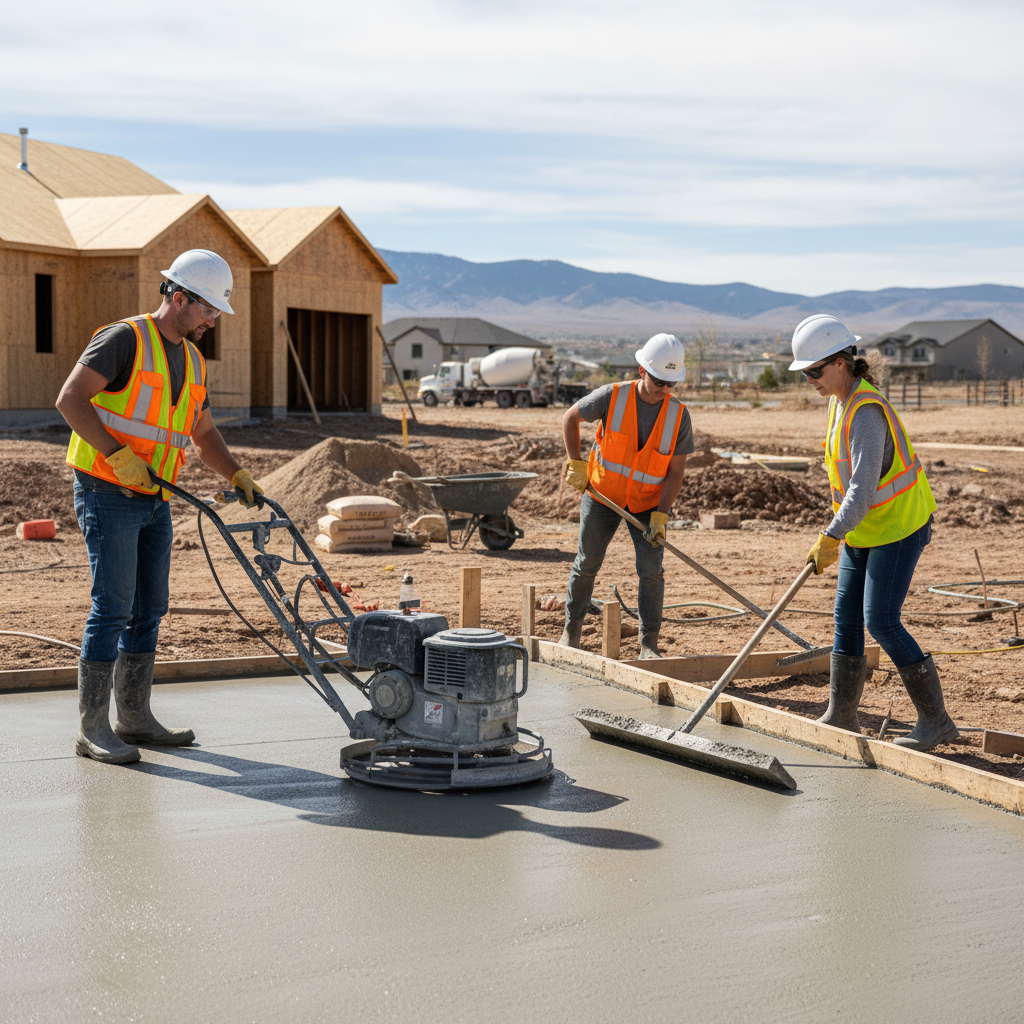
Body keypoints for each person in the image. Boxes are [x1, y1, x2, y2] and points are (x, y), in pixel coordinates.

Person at [56, 249, 264, 765]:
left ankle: (134, 717)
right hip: (108, 491)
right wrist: (117, 456)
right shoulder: (124, 339)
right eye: (208, 309)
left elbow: (203, 431)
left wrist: (233, 473)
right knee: (112, 609)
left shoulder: (192, 360)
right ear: (179, 297)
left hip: (156, 498)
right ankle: (92, 728)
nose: (213, 319)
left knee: (150, 608)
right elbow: (70, 400)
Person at [793, 313, 957, 751]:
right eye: (805, 373)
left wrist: (831, 535)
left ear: (841, 364)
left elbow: (862, 490)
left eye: (814, 371)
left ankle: (936, 720)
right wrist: (840, 532)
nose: (810, 380)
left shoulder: (866, 411)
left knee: (880, 620)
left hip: (900, 525)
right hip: (865, 529)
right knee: (846, 617)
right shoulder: (837, 402)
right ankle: (842, 714)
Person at [560, 333, 693, 659]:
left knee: (651, 571)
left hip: (648, 504)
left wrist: (662, 513)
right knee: (587, 562)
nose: (664, 389)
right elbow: (570, 418)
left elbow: (675, 472)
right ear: (642, 370)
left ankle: (649, 644)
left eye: (671, 384)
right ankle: (571, 631)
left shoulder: (679, 416)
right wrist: (576, 463)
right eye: (659, 380)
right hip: (603, 494)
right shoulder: (613, 396)